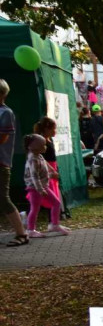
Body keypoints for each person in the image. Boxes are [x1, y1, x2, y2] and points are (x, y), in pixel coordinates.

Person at [0, 79, 30, 247]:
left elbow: (2, 138)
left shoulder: (6, 113)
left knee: (3, 199)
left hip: (1, 163)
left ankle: (22, 234)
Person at [23, 134, 69, 237]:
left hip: (44, 186)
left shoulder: (39, 155)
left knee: (56, 203)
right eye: (42, 145)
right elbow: (34, 176)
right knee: (35, 208)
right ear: (33, 147)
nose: (45, 147)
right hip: (35, 188)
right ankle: (30, 230)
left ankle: (54, 224)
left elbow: (46, 164)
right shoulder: (32, 159)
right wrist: (40, 189)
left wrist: (53, 171)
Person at [33, 117, 63, 221]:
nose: (55, 131)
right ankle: (52, 221)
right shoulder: (42, 141)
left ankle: (54, 221)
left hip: (52, 168)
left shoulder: (49, 140)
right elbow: (41, 159)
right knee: (48, 196)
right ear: (46, 129)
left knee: (54, 194)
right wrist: (51, 171)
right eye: (53, 129)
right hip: (46, 170)